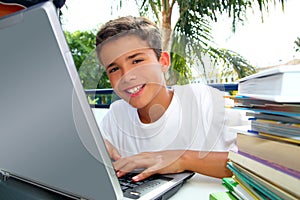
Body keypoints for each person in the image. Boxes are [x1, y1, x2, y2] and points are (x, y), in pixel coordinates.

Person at [95, 16, 239, 182]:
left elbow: (267, 166)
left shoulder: (204, 101)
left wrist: (182, 158)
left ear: (163, 62)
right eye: (114, 68)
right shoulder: (117, 114)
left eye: (137, 60)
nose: (127, 76)